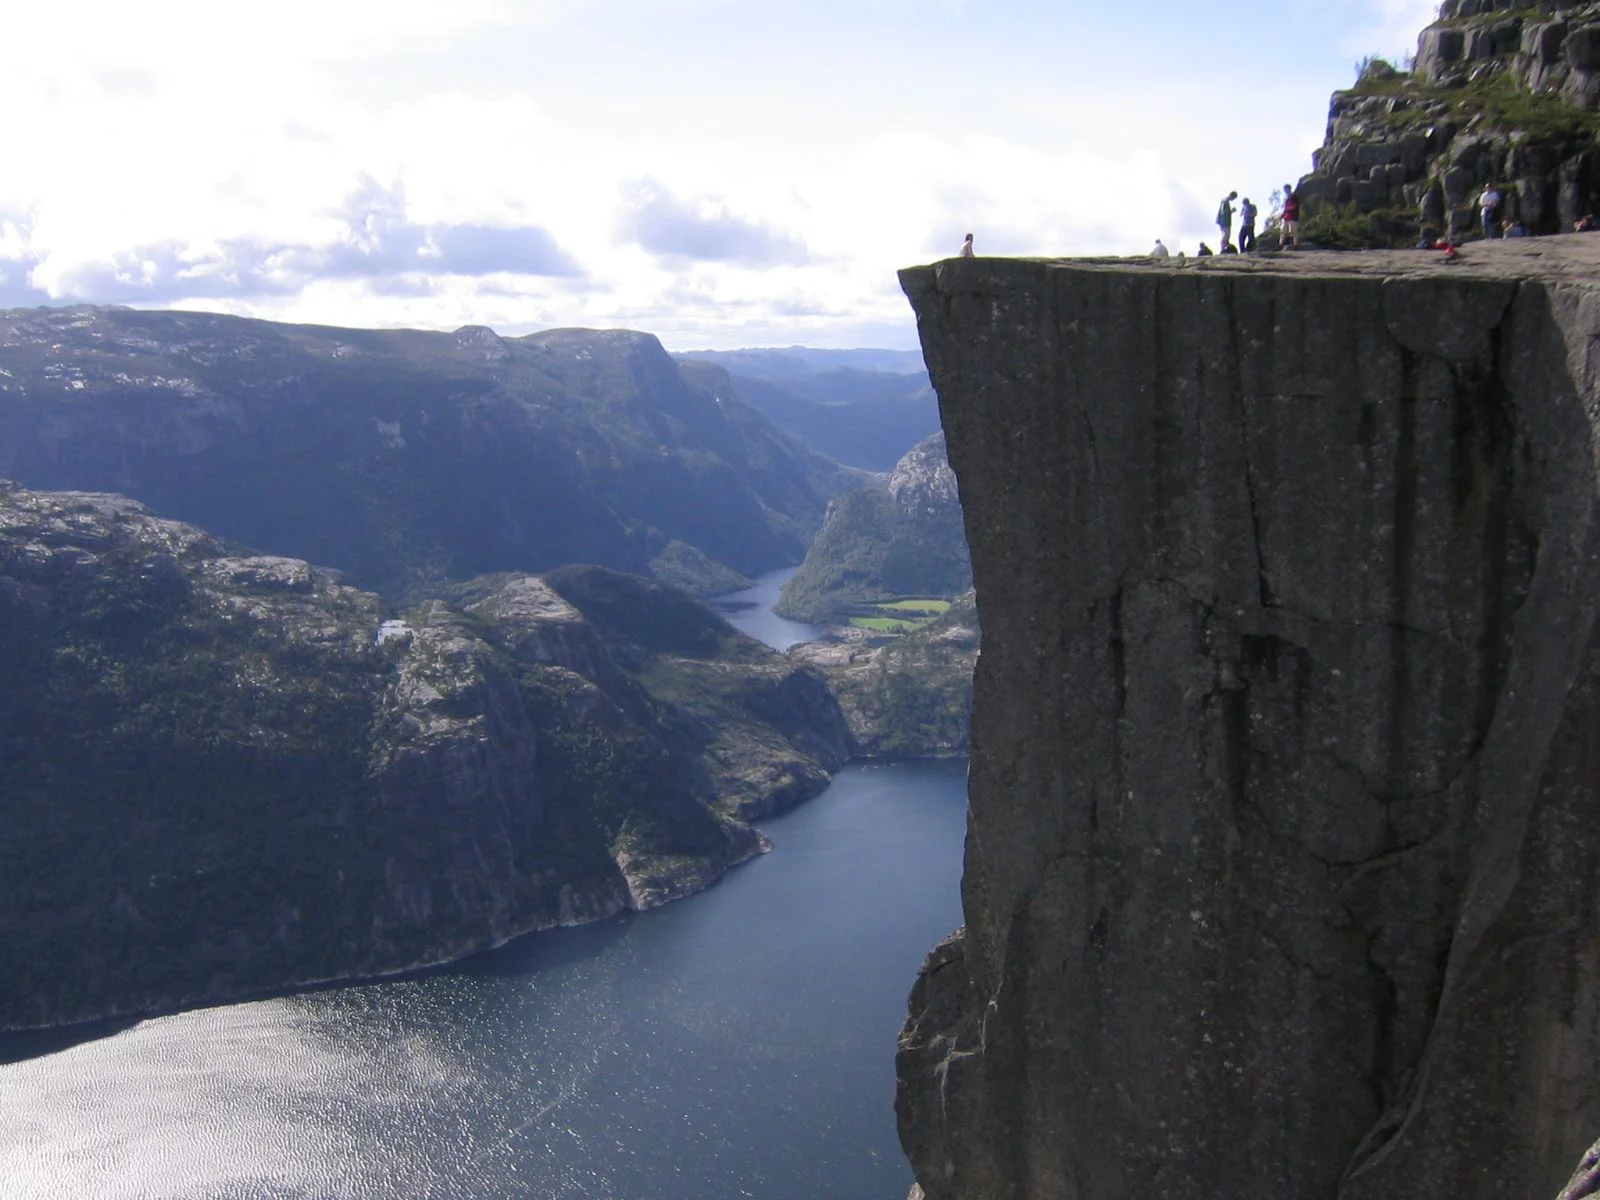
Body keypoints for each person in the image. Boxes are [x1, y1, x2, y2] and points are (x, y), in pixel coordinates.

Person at [1280, 184, 1301, 249]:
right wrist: (1283, 215)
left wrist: (1288, 210)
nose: (1285, 191)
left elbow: (1295, 205)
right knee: (1283, 231)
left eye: (1286, 189)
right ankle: (1280, 245)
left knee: (1293, 232)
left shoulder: (1294, 196)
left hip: (1293, 217)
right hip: (1286, 217)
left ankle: (1295, 245)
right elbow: (1285, 207)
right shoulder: (1287, 198)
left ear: (1289, 189)